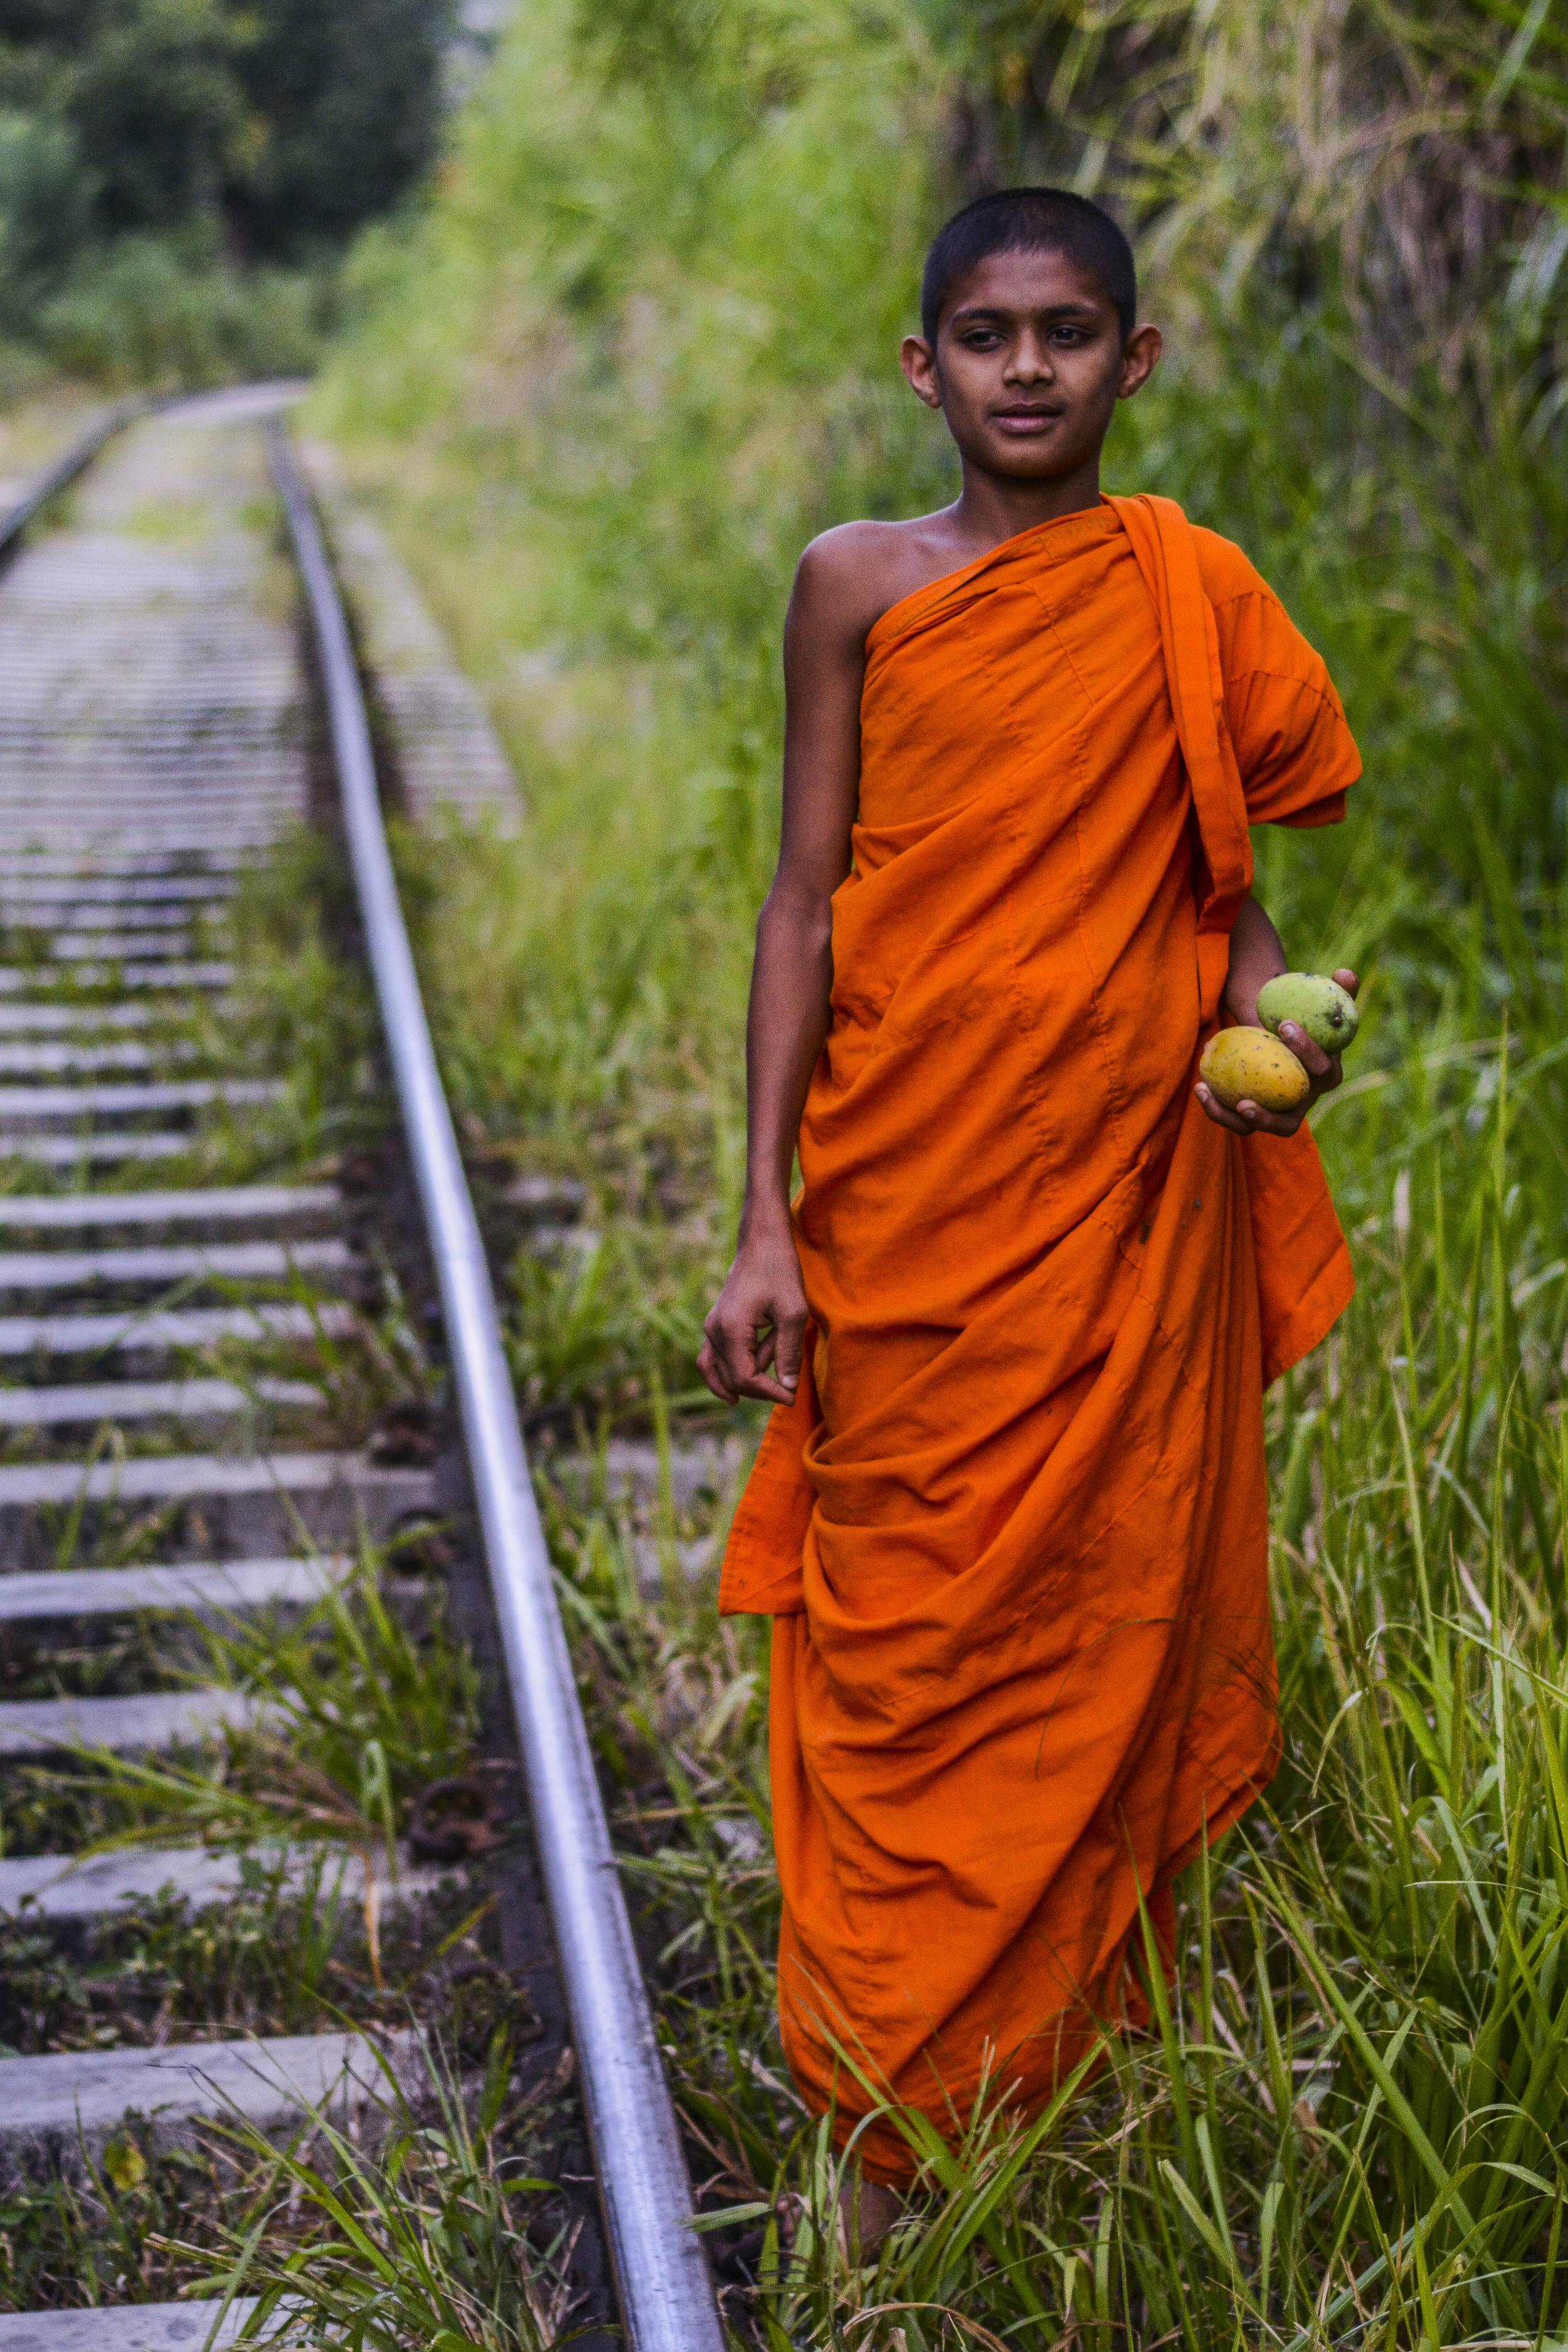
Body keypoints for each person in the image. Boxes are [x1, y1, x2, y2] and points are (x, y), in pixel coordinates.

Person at [697, 187, 1361, 2228]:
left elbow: (1220, 898)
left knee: (1107, 1610)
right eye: (986, 337)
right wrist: (760, 1219)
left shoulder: (1187, 587)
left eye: (1067, 335)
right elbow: (803, 898)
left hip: (1121, 1195)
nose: (1025, 371)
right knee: (902, 1635)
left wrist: (1283, 1032)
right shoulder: (855, 587)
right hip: (905, 1196)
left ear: (1130, 362)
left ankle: (1058, 2104)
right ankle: (885, 2130)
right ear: (923, 365)